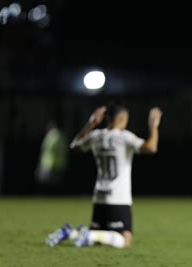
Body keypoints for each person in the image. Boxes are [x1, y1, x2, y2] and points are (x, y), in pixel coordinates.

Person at [46, 103, 162, 248]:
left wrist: (91, 123)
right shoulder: (124, 137)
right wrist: (154, 126)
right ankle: (86, 234)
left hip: (99, 197)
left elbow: (75, 146)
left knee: (99, 239)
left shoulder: (96, 136)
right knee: (125, 240)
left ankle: (70, 233)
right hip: (119, 198)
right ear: (123, 118)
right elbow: (151, 147)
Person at [35, 120, 68, 194]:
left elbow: (45, 149)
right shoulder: (62, 136)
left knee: (47, 183)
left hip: (49, 163)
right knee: (56, 184)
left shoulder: (50, 136)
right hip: (60, 163)